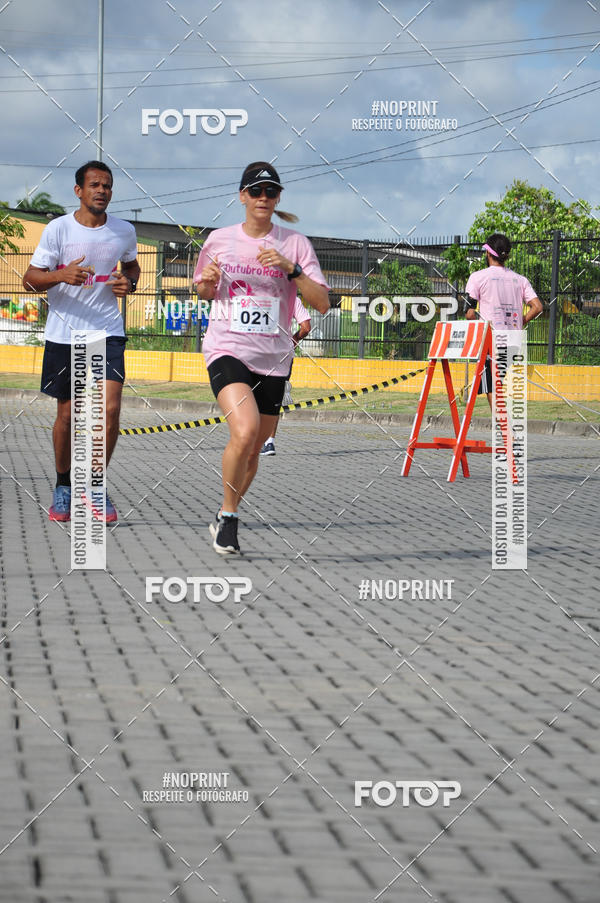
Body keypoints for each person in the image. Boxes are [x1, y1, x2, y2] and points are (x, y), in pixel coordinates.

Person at [194, 161, 329, 554]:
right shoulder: (219, 239)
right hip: (227, 347)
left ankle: (223, 514)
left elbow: (321, 303)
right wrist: (208, 284)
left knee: (257, 445)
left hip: (273, 356)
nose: (264, 198)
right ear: (242, 196)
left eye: (271, 192)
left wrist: (292, 270)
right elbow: (203, 290)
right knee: (246, 430)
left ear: (278, 198)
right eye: (256, 191)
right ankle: (230, 517)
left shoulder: (295, 244)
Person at [22, 160, 140, 523]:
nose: (101, 190)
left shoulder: (123, 231)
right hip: (64, 333)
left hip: (107, 331)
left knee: (111, 409)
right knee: (68, 415)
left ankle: (95, 486)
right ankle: (63, 485)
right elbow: (29, 280)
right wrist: (60, 274)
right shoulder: (58, 230)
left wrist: (129, 283)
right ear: (79, 191)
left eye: (107, 185)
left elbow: (132, 268)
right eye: (94, 185)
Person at [465, 233, 542, 408]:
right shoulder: (520, 279)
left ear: (488, 253)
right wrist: (520, 322)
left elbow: (469, 313)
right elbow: (537, 307)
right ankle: (504, 428)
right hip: (513, 340)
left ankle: (505, 429)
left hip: (491, 339)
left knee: (492, 384)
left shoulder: (477, 277)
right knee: (494, 381)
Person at [260, 295, 311, 456]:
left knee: (254, 396)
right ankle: (269, 443)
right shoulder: (293, 299)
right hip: (284, 356)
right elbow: (306, 327)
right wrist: (293, 340)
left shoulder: (257, 296)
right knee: (275, 399)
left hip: (258, 353)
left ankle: (253, 439)